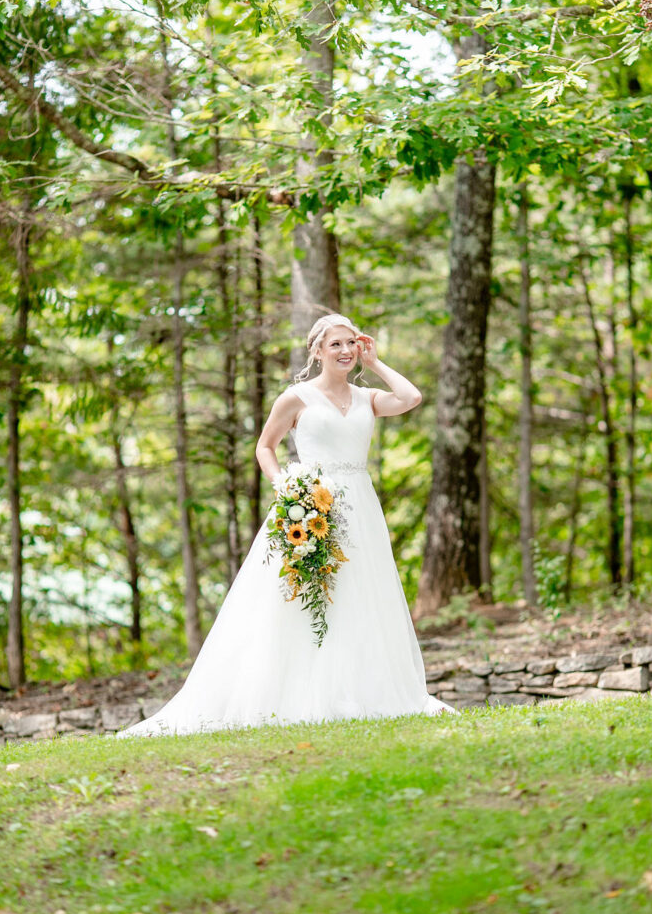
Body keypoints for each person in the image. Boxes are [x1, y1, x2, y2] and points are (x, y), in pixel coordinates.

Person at [118, 313, 453, 737]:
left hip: (361, 509)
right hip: (310, 505)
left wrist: (377, 362)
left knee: (360, 597)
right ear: (316, 350)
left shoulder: (366, 398)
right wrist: (287, 489)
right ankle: (291, 694)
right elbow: (265, 446)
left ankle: (357, 692)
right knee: (297, 601)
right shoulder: (295, 398)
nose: (346, 350)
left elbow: (411, 397)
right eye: (336, 344)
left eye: (351, 343)